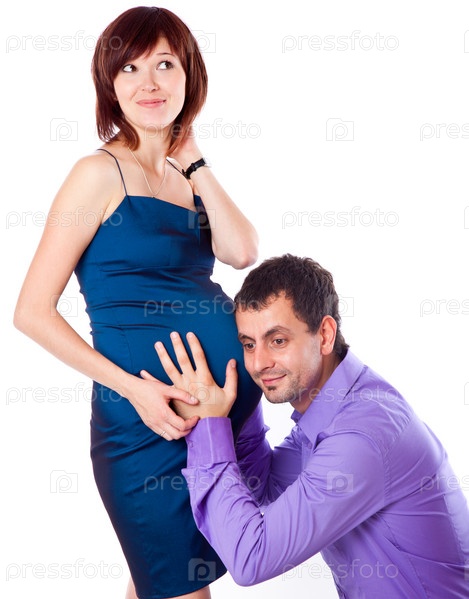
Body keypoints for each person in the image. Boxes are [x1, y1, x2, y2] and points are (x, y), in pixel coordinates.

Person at [13, 6, 262, 599]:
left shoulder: (186, 179)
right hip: (145, 425)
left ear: (190, 76)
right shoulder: (96, 174)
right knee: (179, 585)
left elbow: (242, 251)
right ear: (110, 83)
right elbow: (31, 312)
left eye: (165, 64)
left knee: (162, 582)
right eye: (129, 68)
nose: (148, 82)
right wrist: (135, 390)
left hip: (215, 424)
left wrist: (195, 161)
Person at [152, 254, 469, 598]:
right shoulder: (334, 410)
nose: (258, 364)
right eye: (248, 345)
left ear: (325, 335)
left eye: (278, 340)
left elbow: (251, 558)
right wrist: (238, 400)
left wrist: (209, 425)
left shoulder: (360, 435)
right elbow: (265, 487)